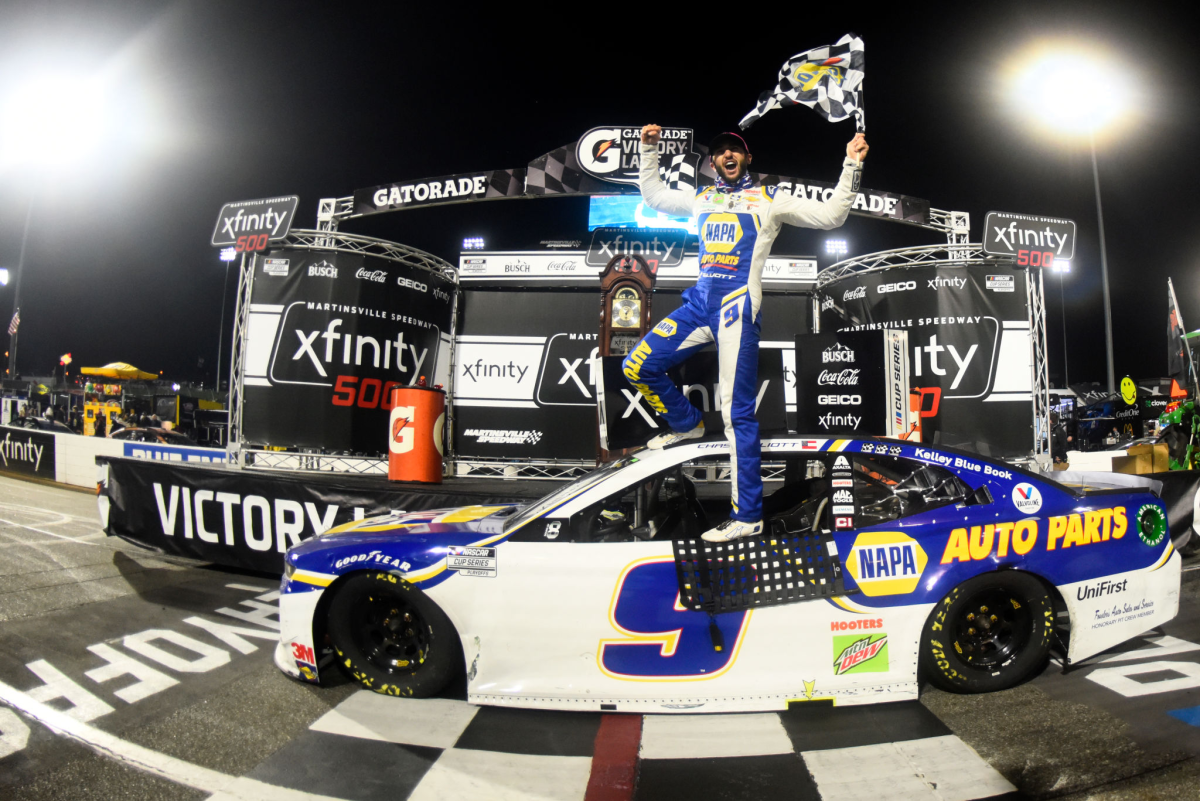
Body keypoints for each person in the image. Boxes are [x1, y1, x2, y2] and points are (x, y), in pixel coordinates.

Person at [628, 125, 868, 542]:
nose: (727, 156)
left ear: (747, 158)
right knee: (638, 365)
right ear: (713, 161)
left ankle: (748, 515)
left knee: (736, 413)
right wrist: (648, 151)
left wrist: (852, 164)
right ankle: (686, 422)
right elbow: (653, 196)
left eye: (734, 150)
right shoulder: (702, 197)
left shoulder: (770, 198)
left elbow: (832, 215)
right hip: (699, 303)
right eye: (720, 152)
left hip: (737, 307)